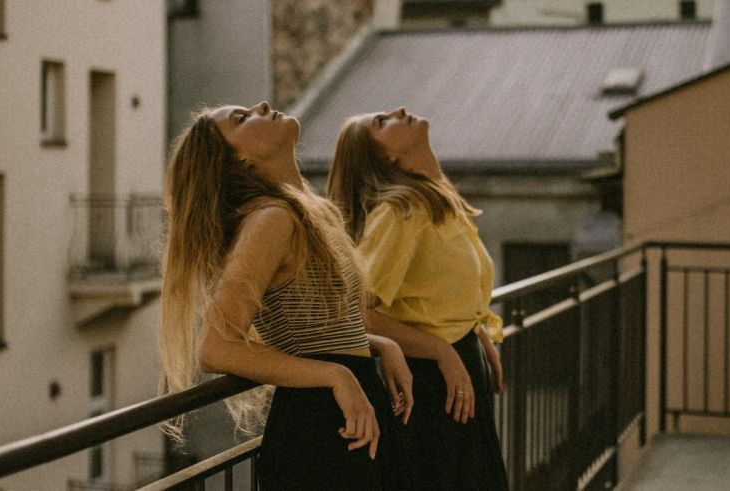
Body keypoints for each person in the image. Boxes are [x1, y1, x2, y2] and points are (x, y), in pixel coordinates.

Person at [159, 101, 413, 490]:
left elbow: (319, 330)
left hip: (345, 412)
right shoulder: (271, 220)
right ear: (238, 161)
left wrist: (380, 345)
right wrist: (338, 375)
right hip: (320, 427)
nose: (262, 105)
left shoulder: (310, 213)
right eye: (241, 119)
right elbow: (216, 349)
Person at [328, 107, 509, 490]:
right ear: (386, 159)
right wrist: (444, 351)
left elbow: (435, 291)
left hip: (456, 367)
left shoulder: (437, 201)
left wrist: (474, 331)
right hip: (429, 379)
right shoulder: (401, 212)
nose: (398, 111)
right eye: (381, 122)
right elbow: (356, 314)